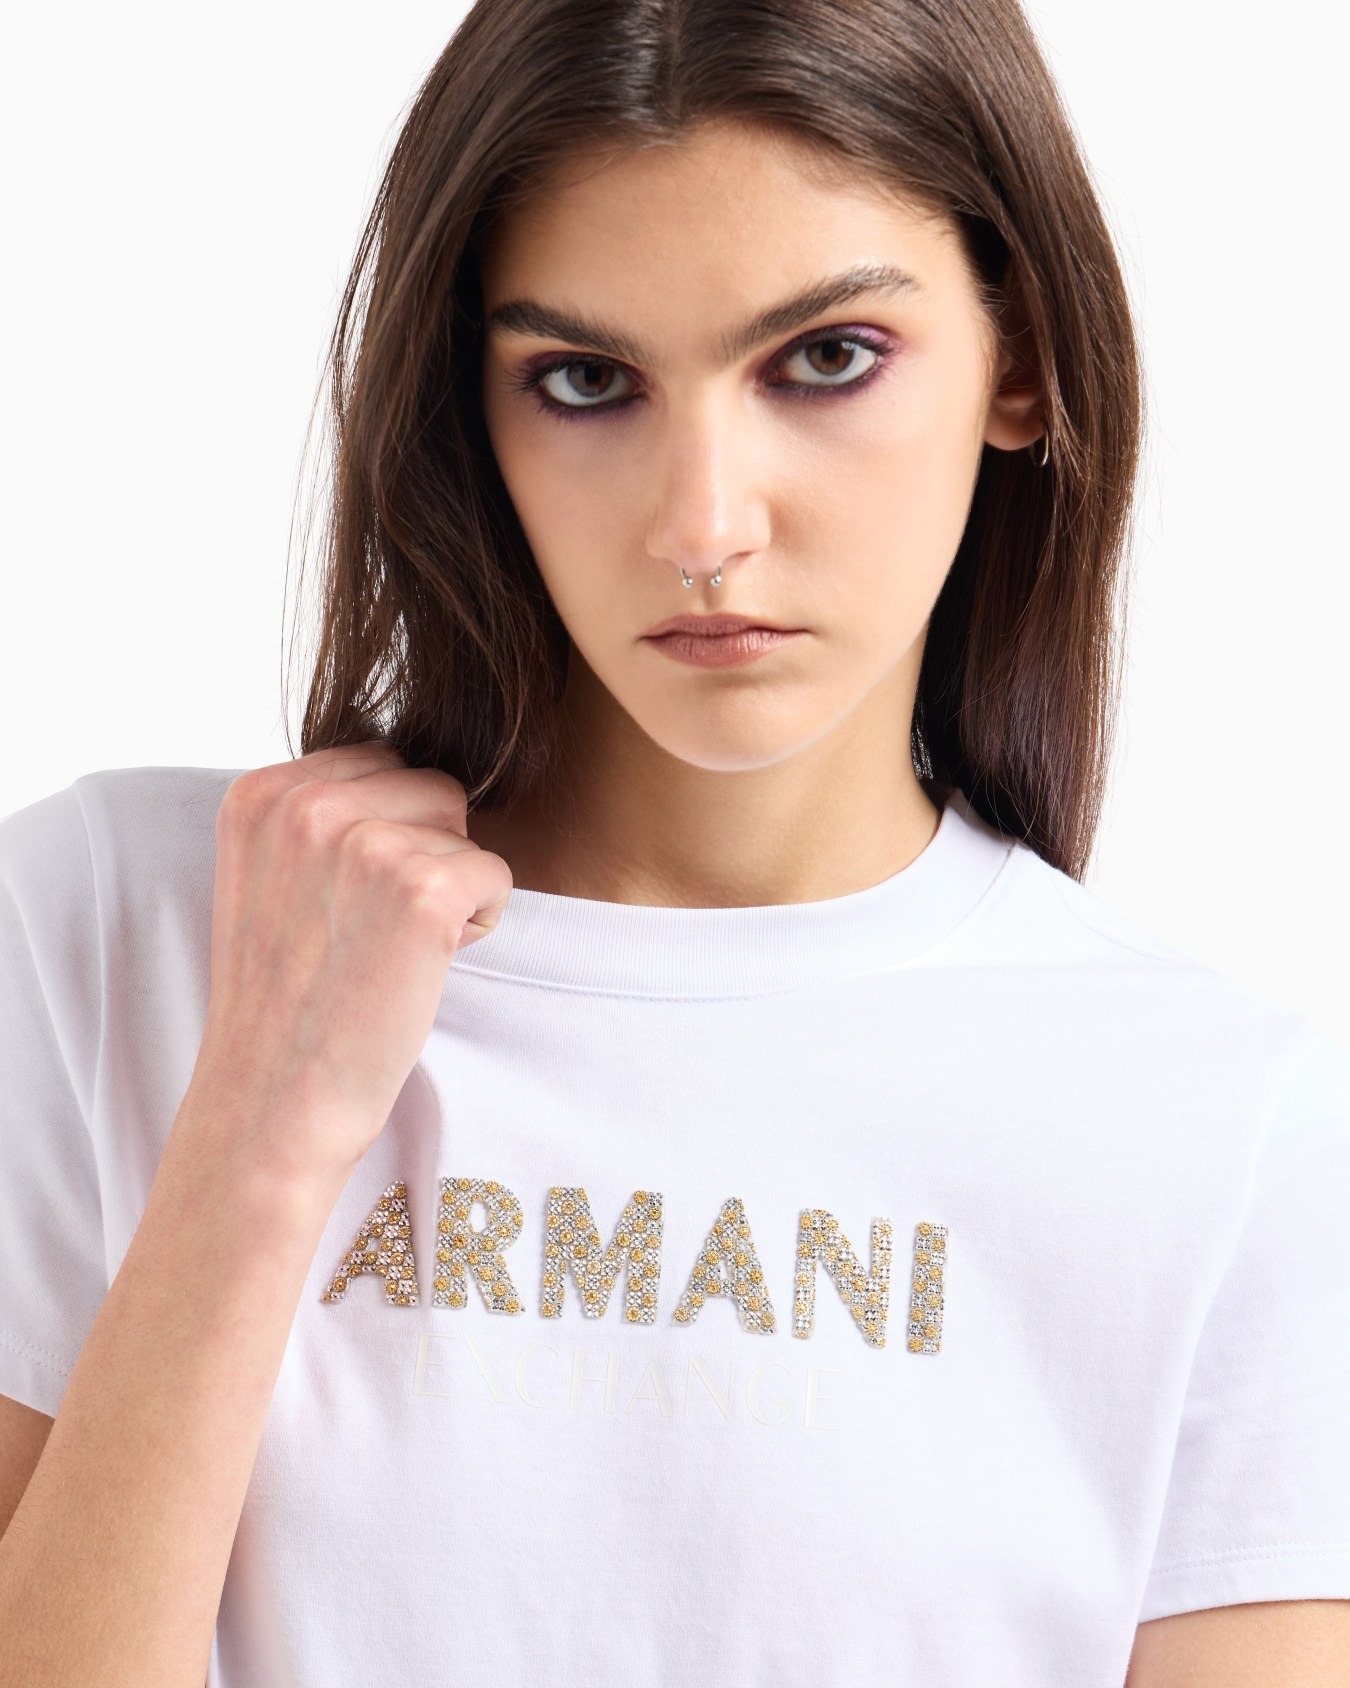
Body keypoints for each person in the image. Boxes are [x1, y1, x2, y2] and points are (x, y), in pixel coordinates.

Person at [0, 0, 1347, 1682]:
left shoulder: (1230, 1133)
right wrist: (257, 1145)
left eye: (826, 359)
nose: (703, 525)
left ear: (1021, 363)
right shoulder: (115, 928)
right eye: (584, 381)